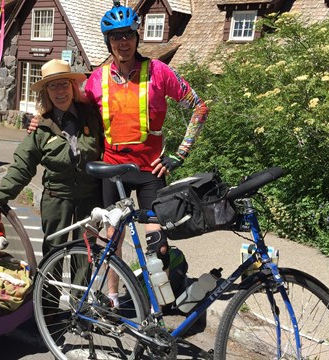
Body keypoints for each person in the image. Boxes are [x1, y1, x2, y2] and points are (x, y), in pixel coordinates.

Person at [29, 1, 209, 307]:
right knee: (111, 239)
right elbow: (67, 103)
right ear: (108, 41)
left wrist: (180, 154)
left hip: (151, 171)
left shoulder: (159, 72)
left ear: (136, 37)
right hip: (113, 170)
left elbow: (199, 106)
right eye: (115, 37)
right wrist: (41, 117)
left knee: (158, 242)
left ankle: (159, 303)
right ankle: (112, 299)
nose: (122, 42)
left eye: (127, 35)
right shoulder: (96, 80)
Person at [0, 59, 103, 257]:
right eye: (52, 86)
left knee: (86, 256)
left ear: (73, 87)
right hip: (56, 199)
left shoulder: (92, 116)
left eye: (64, 84)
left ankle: (82, 290)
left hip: (89, 199)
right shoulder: (41, 127)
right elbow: (22, 166)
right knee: (53, 255)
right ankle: (48, 289)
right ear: (46, 92)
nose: (59, 91)